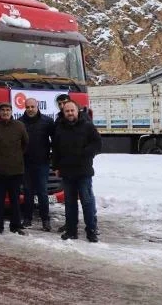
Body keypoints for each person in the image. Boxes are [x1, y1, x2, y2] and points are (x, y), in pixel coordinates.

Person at [52, 100, 102, 242]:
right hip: (67, 172)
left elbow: (97, 144)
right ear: (63, 113)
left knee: (87, 201)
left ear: (77, 111)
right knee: (70, 203)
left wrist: (84, 153)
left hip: (83, 171)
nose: (69, 113)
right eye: (67, 111)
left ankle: (91, 230)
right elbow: (55, 149)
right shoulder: (59, 127)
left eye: (72, 110)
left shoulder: (87, 126)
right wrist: (55, 166)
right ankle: (71, 231)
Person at [0, 102, 29, 236]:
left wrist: (15, 156)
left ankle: (15, 226)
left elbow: (25, 144)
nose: (5, 112)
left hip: (15, 171)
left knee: (15, 200)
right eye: (2, 110)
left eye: (8, 110)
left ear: (11, 112)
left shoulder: (20, 126)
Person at [21, 97, 56, 231]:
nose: (30, 109)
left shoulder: (47, 121)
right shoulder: (20, 122)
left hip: (42, 163)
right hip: (26, 163)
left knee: (42, 192)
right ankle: (27, 219)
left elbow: (55, 140)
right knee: (28, 192)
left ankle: (45, 220)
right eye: (28, 107)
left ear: (37, 107)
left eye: (32, 107)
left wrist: (54, 157)